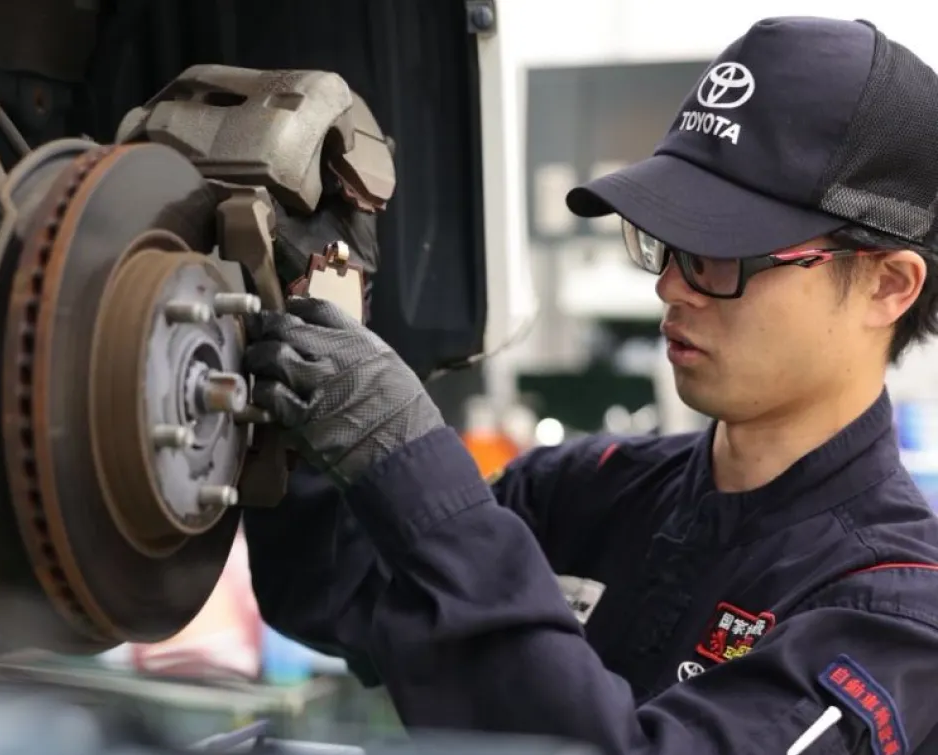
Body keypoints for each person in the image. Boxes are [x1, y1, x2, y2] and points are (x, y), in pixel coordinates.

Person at [241, 16, 938, 755]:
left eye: (724, 254)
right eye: (669, 243)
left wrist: (414, 463)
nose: (672, 285)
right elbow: (336, 592)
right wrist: (310, 320)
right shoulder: (585, 491)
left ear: (888, 285)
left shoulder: (894, 614)